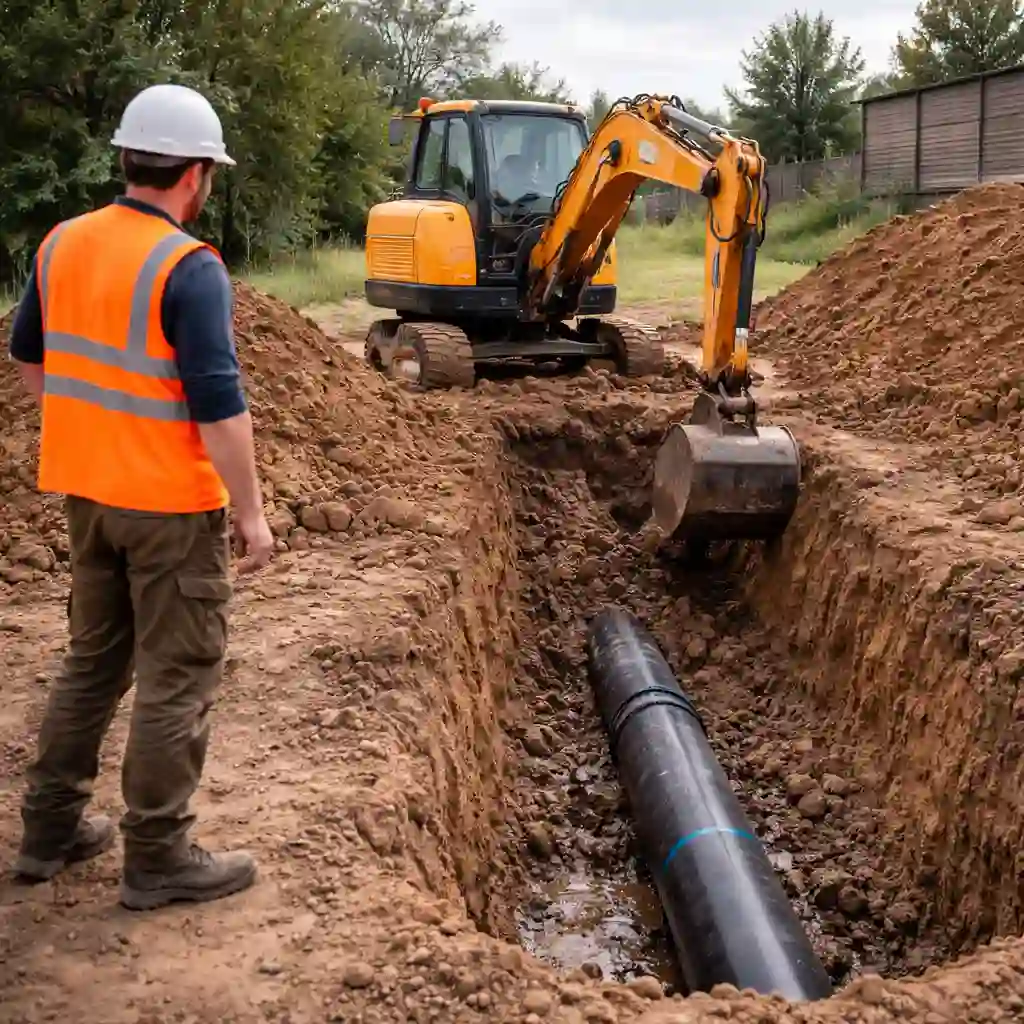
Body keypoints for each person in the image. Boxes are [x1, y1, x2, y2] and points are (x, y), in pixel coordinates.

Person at [7, 83, 275, 910]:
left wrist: (92, 426)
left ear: (127, 159)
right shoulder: (187, 268)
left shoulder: (61, 243)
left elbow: (28, 359)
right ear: (196, 176)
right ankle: (157, 855)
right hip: (165, 507)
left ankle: (48, 832)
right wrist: (252, 512)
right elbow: (218, 406)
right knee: (178, 674)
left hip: (87, 494)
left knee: (93, 662)